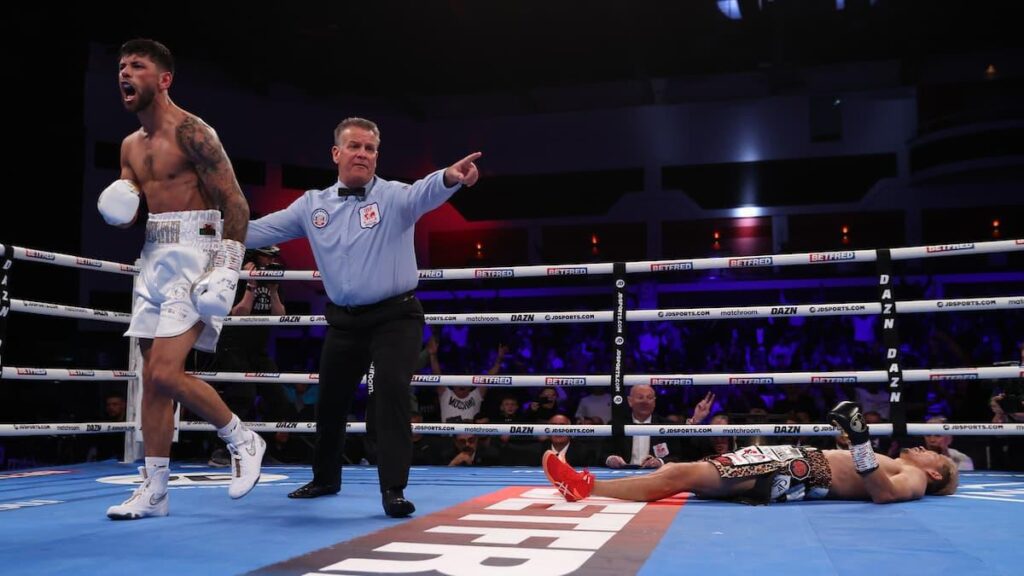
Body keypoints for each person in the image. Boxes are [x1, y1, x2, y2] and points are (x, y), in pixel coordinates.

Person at [244, 116, 481, 517]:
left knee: (389, 391)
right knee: (330, 401)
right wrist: (204, 226)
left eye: (370, 149)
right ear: (337, 153)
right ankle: (325, 478)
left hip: (396, 316)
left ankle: (393, 488)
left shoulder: (393, 196)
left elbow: (425, 192)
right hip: (344, 320)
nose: (363, 154)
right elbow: (257, 232)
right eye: (355, 146)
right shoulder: (311, 204)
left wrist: (449, 176)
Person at [100, 39, 265, 520]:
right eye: (121, 66)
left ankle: (241, 436)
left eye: (138, 66)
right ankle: (154, 491)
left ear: (164, 79)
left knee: (167, 372)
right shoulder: (130, 146)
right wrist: (120, 209)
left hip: (198, 252)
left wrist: (227, 268)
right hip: (152, 255)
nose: (125, 73)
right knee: (153, 382)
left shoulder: (194, 132)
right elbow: (135, 211)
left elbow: (236, 203)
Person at [543, 401, 958, 505]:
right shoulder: (902, 461)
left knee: (683, 474)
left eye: (933, 455)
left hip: (798, 471)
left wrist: (862, 442)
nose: (923, 448)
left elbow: (883, 494)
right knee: (686, 474)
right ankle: (587, 485)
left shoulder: (916, 478)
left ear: (936, 474)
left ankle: (587, 488)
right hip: (795, 464)